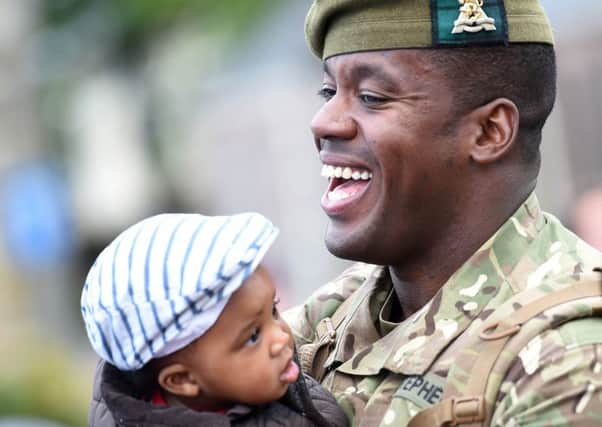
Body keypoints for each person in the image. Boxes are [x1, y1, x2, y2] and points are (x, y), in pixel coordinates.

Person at [285, 0, 602, 426]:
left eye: (371, 97)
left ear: (490, 132)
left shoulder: (571, 357)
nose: (323, 122)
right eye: (329, 92)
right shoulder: (335, 313)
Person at [81, 212, 348, 427]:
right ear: (183, 380)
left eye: (273, 310)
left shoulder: (261, 385)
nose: (281, 337)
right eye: (253, 336)